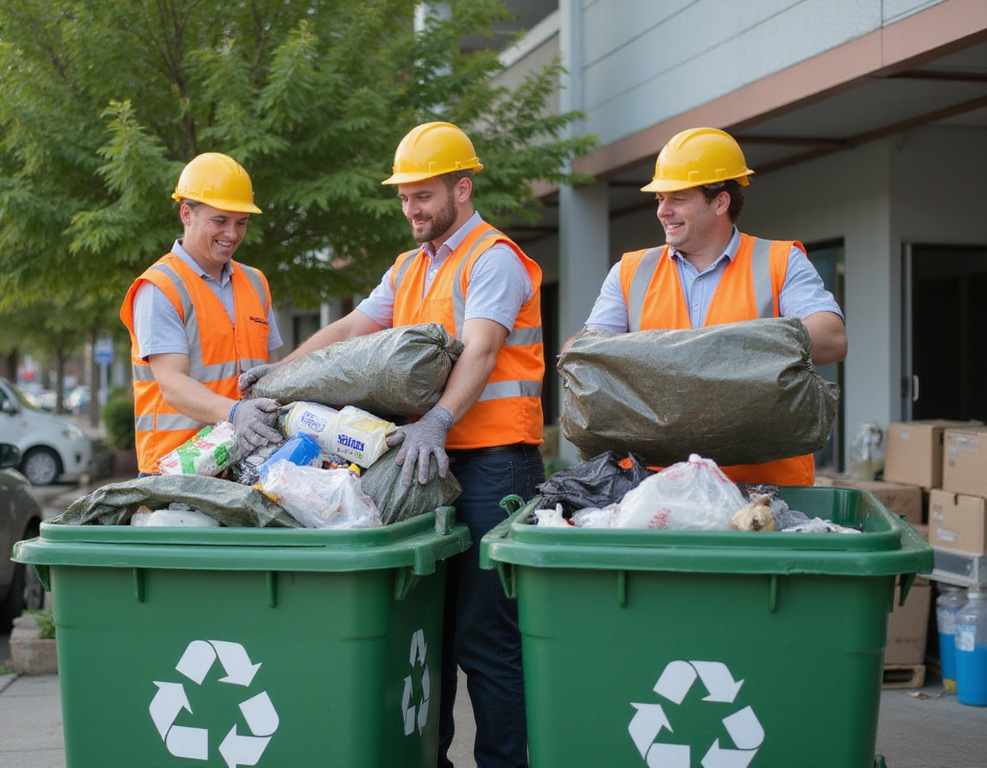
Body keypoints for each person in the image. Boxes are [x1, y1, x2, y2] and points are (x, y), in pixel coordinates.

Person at [241, 121, 543, 768]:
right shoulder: (409, 266)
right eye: (404, 197)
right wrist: (279, 373)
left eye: (423, 195)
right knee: (425, 633)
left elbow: (485, 347)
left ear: (462, 190)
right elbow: (354, 327)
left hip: (493, 466)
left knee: (485, 639)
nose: (411, 208)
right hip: (416, 461)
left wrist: (438, 418)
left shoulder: (493, 257)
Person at [571, 126, 847, 486]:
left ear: (720, 201)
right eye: (660, 200)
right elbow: (580, 352)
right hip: (654, 489)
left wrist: (722, 349)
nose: (663, 211)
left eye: (678, 198)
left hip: (767, 491)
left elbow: (832, 338)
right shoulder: (630, 271)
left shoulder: (780, 261)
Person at [119, 152, 285, 475]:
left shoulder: (255, 282)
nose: (232, 235)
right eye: (220, 221)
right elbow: (172, 384)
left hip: (244, 466)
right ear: (187, 214)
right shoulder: (160, 287)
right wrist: (236, 413)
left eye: (242, 223)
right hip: (174, 475)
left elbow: (273, 371)